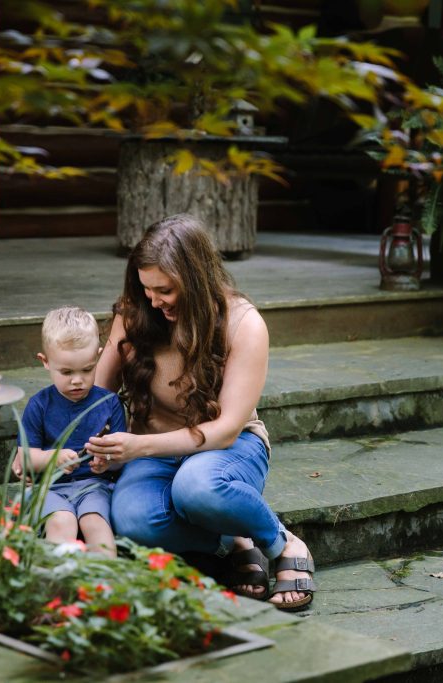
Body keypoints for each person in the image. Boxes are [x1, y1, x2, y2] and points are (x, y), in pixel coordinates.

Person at [87, 214, 316, 611]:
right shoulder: (137, 313)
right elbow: (96, 398)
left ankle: (281, 542)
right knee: (132, 521)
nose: (154, 300)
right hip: (152, 451)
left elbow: (226, 430)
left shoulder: (243, 324)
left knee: (197, 487)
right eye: (146, 289)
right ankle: (235, 537)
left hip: (228, 449)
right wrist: (86, 445)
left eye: (166, 290)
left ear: (195, 279)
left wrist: (137, 446)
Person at [12, 306, 127, 557]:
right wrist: (54, 457)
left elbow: (120, 459)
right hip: (51, 487)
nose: (77, 380)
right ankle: (61, 575)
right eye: (66, 372)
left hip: (94, 486)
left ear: (97, 357)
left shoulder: (108, 403)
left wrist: (106, 462)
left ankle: (105, 577)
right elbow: (25, 459)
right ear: (45, 362)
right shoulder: (39, 405)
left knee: (95, 523)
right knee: (62, 521)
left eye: (87, 370)